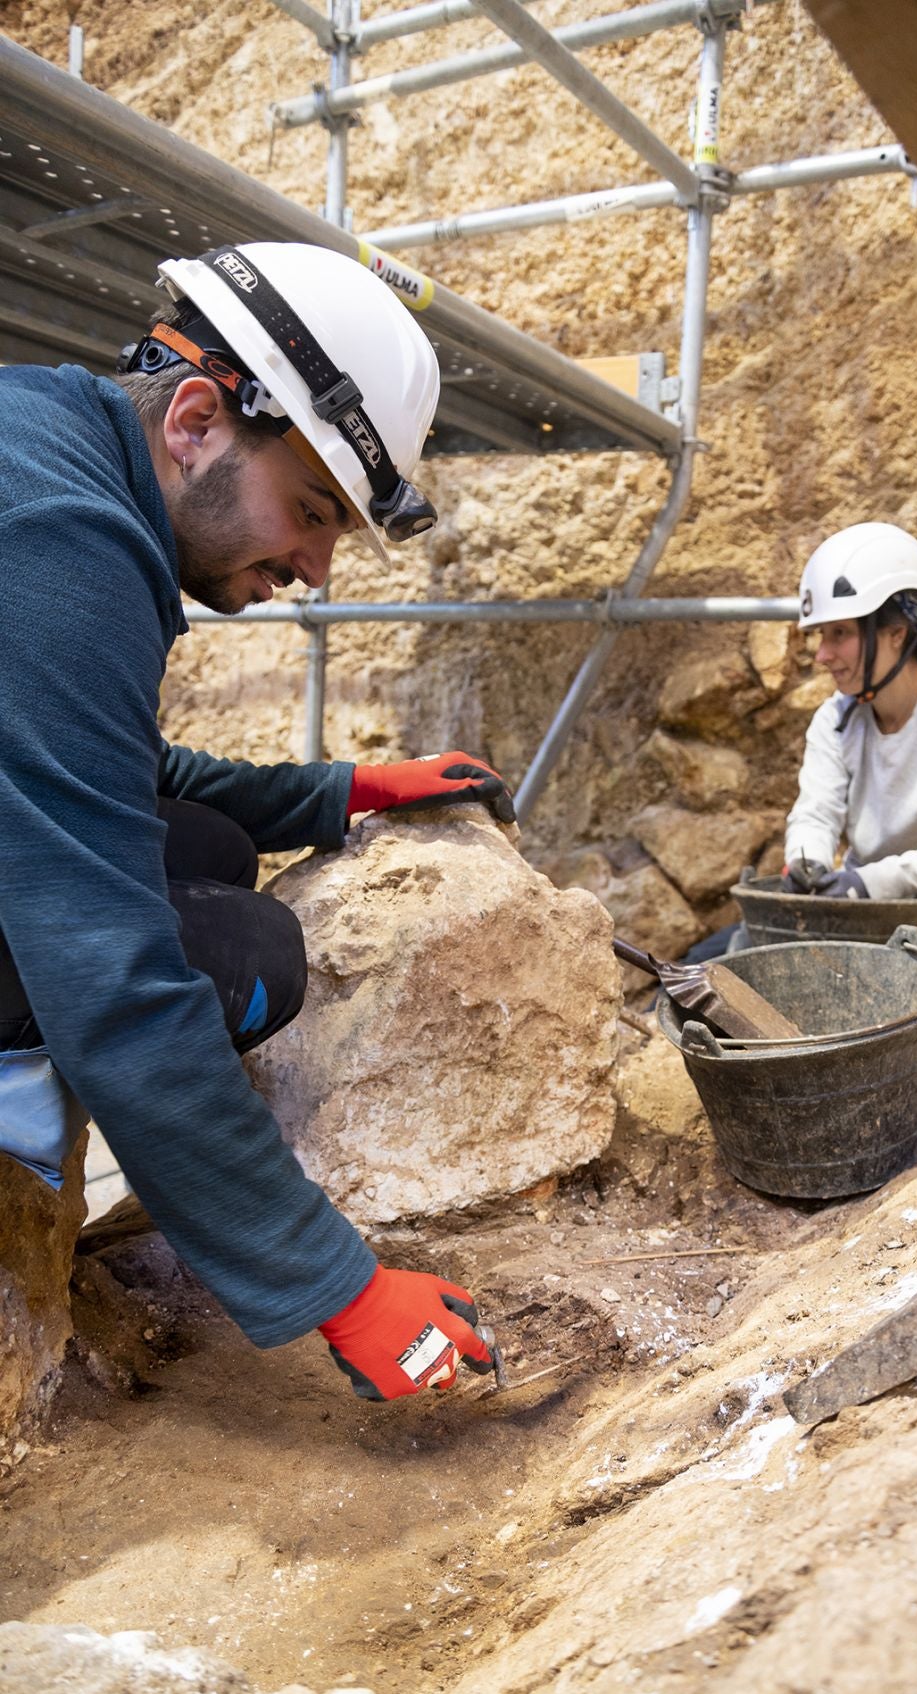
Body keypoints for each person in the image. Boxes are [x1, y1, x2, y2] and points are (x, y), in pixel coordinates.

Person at [0, 240, 515, 1402]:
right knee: (239, 956)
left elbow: (96, 765)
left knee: (211, 849)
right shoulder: (58, 545)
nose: (321, 567)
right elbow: (116, 978)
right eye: (315, 509)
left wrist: (343, 793)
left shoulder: (49, 442)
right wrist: (336, 1285)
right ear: (195, 422)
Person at [782, 522, 917, 968]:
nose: (822, 654)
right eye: (822, 636)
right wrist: (807, 858)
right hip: (860, 911)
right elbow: (816, 812)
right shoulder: (835, 717)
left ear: (897, 632)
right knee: (718, 956)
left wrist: (868, 883)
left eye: (839, 633)